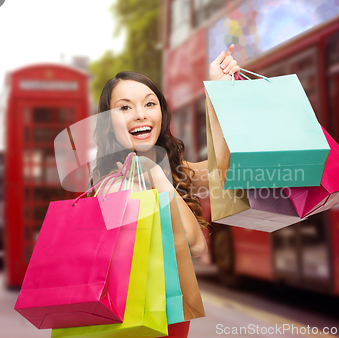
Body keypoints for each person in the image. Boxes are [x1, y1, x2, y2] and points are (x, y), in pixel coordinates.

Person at [88, 45, 240, 337]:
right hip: (142, 325)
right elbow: (195, 244)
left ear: (161, 112)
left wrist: (216, 95)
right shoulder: (116, 185)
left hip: (166, 319)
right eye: (124, 107)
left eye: (149, 104)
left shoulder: (162, 168)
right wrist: (159, 177)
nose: (140, 115)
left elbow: (221, 169)